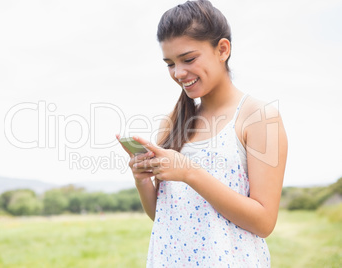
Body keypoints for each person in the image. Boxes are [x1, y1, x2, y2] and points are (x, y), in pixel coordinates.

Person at [117, 0, 288, 266]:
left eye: (188, 59)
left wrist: (189, 172)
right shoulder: (172, 123)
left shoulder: (259, 118)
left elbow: (263, 222)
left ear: (222, 49)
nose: (179, 73)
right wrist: (142, 180)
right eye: (170, 63)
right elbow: (164, 216)